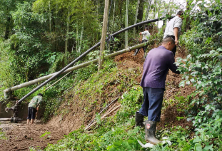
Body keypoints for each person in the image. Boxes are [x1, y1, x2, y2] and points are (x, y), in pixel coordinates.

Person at [135, 36, 180, 144]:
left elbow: (145, 65)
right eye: (173, 46)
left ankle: (139, 124)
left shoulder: (152, 51)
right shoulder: (168, 54)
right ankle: (150, 136)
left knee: (146, 103)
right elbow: (175, 69)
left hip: (145, 81)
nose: (173, 49)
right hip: (155, 83)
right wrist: (186, 67)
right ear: (169, 43)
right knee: (154, 107)